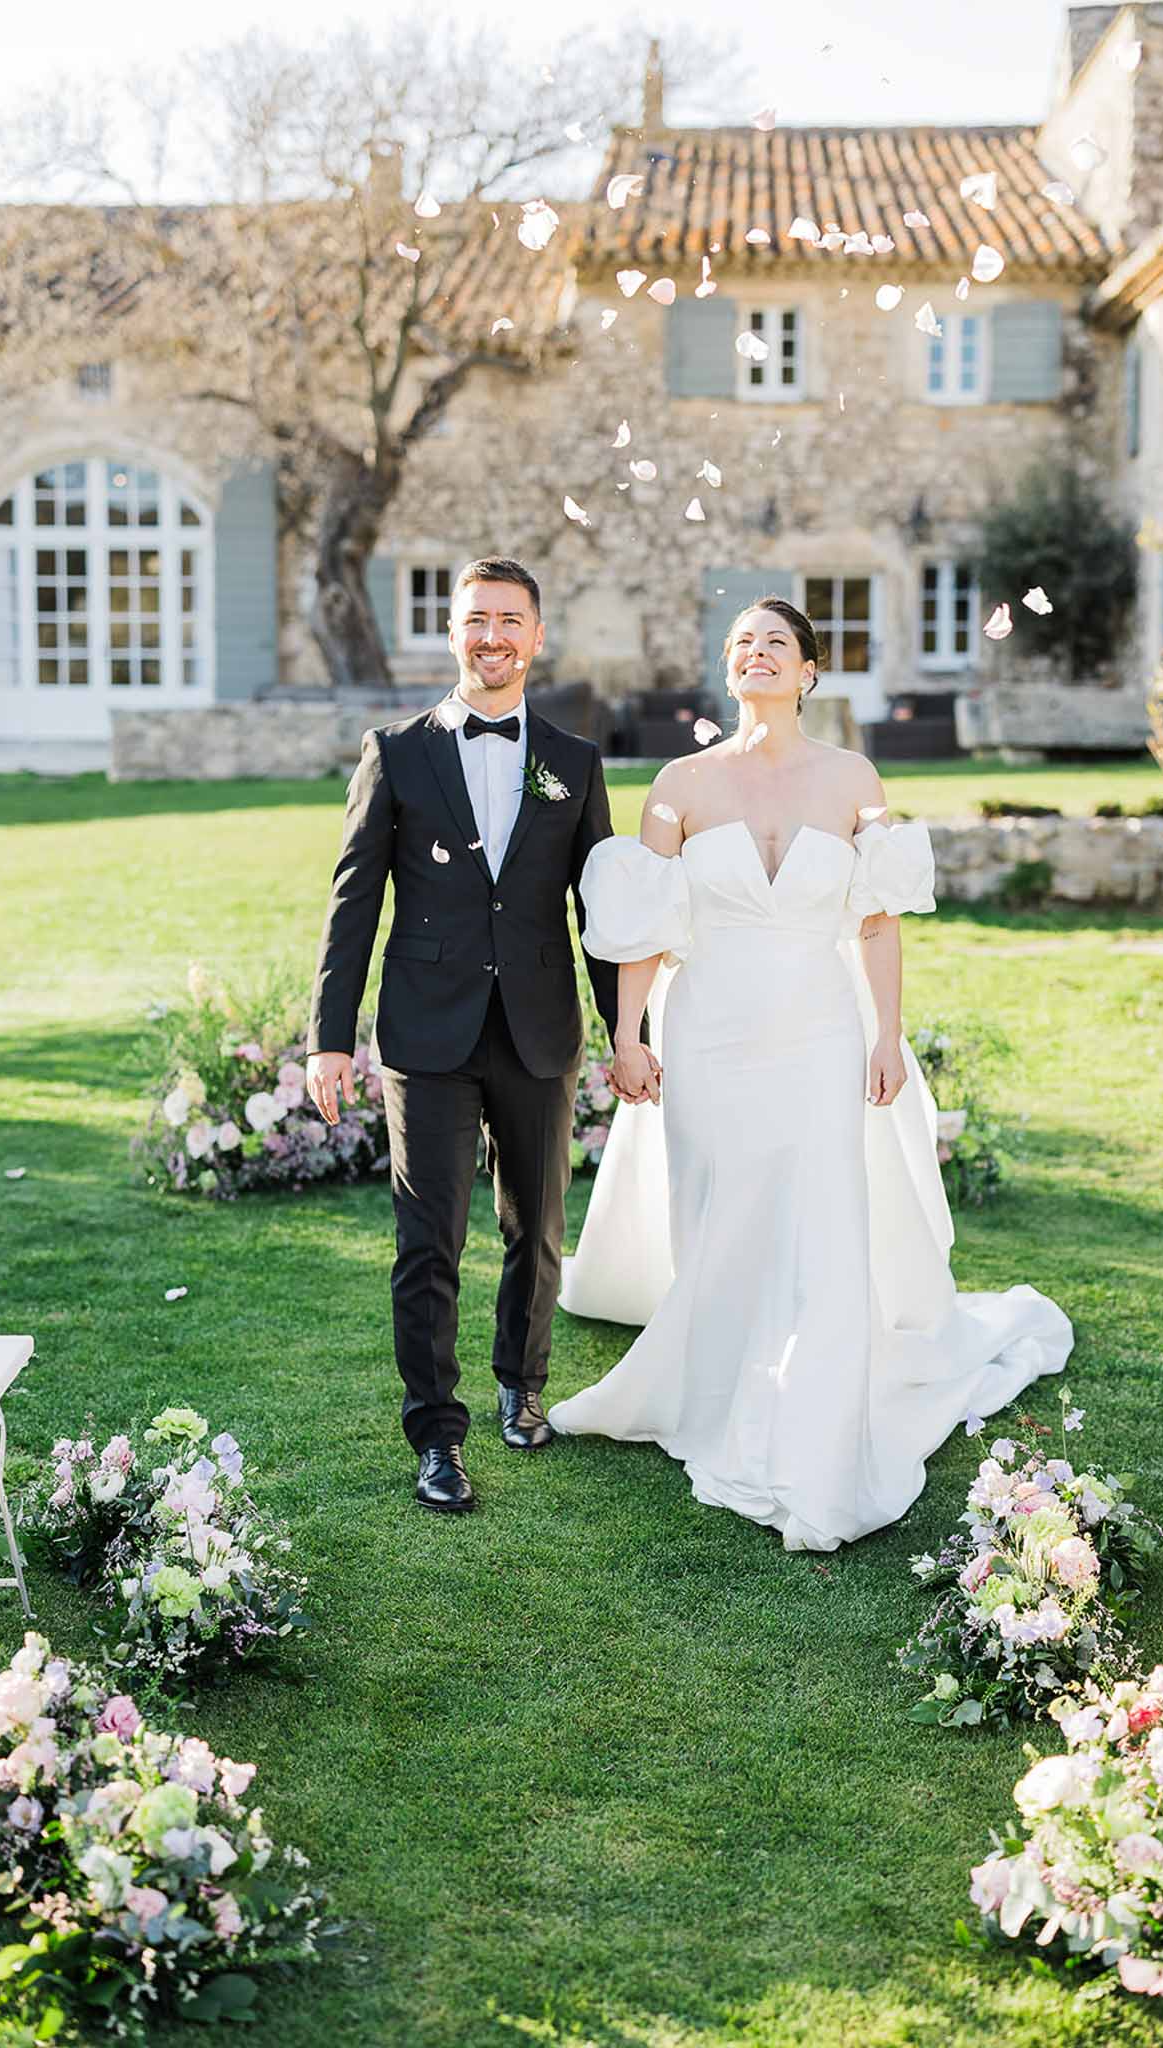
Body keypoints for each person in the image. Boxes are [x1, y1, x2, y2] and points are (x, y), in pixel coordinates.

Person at [548, 596, 1074, 1551]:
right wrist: (627, 1035)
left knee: (824, 1211)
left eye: (776, 644)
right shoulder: (679, 783)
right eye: (743, 643)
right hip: (708, 1027)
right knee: (720, 1205)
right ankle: (719, 1385)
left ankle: (819, 1407)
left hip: (822, 1026)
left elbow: (877, 917)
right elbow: (643, 925)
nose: (757, 654)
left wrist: (888, 1036)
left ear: (808, 672)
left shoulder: (854, 777)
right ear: (729, 666)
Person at [305, 557, 655, 1515]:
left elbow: (603, 913)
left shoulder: (575, 764)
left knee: (536, 1232)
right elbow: (353, 901)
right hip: (427, 1033)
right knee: (429, 1240)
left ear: (537, 637)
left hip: (539, 1027)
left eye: (510, 620)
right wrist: (329, 1036)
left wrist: (631, 1032)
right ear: (452, 633)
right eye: (476, 620)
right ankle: (437, 1435)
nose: (492, 636)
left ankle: (522, 1383)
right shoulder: (396, 750)